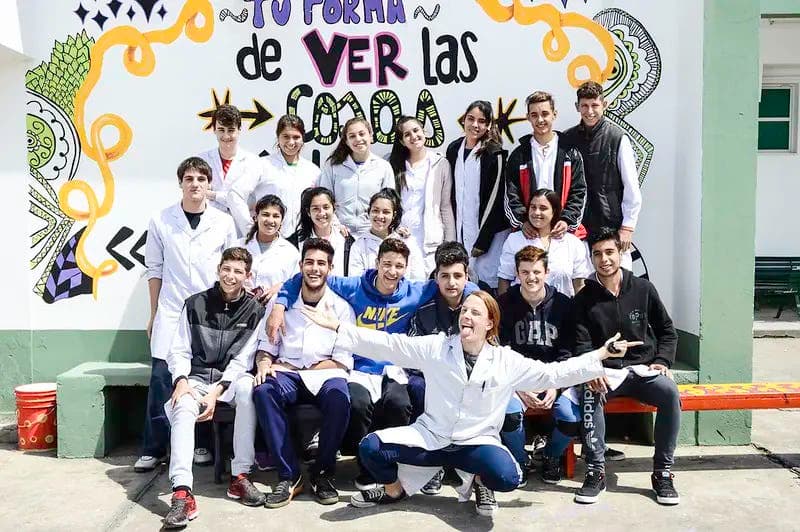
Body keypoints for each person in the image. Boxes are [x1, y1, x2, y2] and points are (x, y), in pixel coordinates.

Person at [301, 291, 635, 517]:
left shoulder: (506, 361)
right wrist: (340, 327)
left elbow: (554, 373)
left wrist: (602, 354)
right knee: (371, 448)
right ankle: (394, 491)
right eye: (464, 312)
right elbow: (390, 345)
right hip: (432, 438)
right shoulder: (437, 348)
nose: (466, 316)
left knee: (508, 477)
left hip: (475, 442)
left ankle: (476, 481)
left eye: (475, 312)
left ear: (490, 323)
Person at [268, 238, 477, 490]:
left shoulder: (416, 291)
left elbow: (460, 285)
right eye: (386, 264)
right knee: (357, 403)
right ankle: (366, 465)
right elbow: (310, 276)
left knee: (400, 403)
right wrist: (280, 303)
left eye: (399, 266)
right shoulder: (355, 286)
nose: (392, 271)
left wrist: (478, 296)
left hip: (394, 369)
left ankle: (394, 465)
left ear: (406, 268)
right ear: (376, 263)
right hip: (360, 368)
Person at [136, 157, 237, 473]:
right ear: (180, 183)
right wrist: (153, 315)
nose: (195, 184)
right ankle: (153, 448)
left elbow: (232, 269)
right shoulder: (161, 220)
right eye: (189, 178)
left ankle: (202, 443)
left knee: (203, 377)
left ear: (209, 186)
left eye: (201, 179)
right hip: (171, 310)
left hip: (209, 315)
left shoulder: (223, 222)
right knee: (162, 379)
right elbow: (154, 269)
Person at [573, 229, 680, 506]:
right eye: (597, 254)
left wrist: (662, 360)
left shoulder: (643, 289)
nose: (604, 259)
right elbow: (581, 343)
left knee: (669, 392)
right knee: (590, 392)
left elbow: (667, 331)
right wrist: (592, 370)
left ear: (620, 253)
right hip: (606, 372)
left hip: (643, 368)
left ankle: (663, 473)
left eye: (609, 252)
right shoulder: (584, 299)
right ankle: (596, 471)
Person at [162, 247, 266, 528]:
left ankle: (240, 476)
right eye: (227, 269)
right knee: (182, 405)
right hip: (195, 378)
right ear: (219, 269)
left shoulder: (255, 310)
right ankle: (182, 492)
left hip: (229, 381)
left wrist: (217, 391)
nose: (231, 276)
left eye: (238, 272)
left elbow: (244, 360)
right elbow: (179, 350)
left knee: (248, 391)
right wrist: (181, 380)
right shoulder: (195, 303)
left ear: (248, 276)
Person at [252, 238, 356, 508]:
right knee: (264, 391)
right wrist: (264, 363)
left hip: (325, 374)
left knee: (339, 397)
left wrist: (299, 368)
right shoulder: (282, 305)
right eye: (309, 262)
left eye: (321, 263)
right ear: (300, 266)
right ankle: (290, 475)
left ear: (330, 268)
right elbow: (266, 347)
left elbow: (343, 361)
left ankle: (323, 473)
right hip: (287, 374)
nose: (314, 268)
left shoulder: (342, 308)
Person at [497, 245, 580, 485]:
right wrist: (519, 387)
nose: (531, 277)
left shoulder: (564, 305)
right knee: (509, 414)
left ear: (547, 272)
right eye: (525, 272)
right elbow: (500, 352)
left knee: (569, 417)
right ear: (517, 273)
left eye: (536, 272)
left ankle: (551, 457)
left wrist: (556, 386)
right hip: (517, 379)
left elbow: (567, 352)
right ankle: (521, 460)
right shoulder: (504, 303)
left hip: (553, 377)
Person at [406, 241, 470, 495]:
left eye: (457, 275)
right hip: (431, 379)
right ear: (436, 278)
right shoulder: (424, 312)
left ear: (467, 277)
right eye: (445, 276)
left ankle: (468, 468)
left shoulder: (477, 310)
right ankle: (432, 466)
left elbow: (490, 350)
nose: (451, 282)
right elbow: (413, 356)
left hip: (469, 378)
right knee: (418, 388)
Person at [562, 81, 642, 268]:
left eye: (595, 105)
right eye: (585, 106)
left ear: (604, 105)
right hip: (577, 230)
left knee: (619, 285)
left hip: (611, 228)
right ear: (577, 107)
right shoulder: (567, 139)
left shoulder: (617, 138)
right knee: (581, 287)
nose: (590, 111)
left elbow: (632, 188)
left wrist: (627, 227)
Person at [504, 91, 586, 239]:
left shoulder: (570, 152)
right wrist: (523, 222)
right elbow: (511, 195)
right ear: (528, 117)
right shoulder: (519, 155)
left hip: (562, 233)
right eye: (534, 115)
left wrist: (566, 220)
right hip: (530, 234)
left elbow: (579, 192)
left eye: (545, 113)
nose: (540, 119)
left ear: (554, 114)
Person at [445, 100, 509, 292]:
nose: (475, 125)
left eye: (482, 121)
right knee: (464, 282)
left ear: (489, 125)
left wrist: (483, 240)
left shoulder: (494, 152)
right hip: (461, 229)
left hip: (488, 236)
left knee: (487, 285)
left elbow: (495, 199)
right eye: (471, 119)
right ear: (463, 120)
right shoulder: (454, 149)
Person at [228, 115, 321, 237]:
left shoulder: (313, 170)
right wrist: (249, 228)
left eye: (296, 137)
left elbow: (325, 203)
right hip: (269, 239)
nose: (291, 142)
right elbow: (235, 194)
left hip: (303, 240)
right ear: (278, 138)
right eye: (286, 137)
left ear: (303, 138)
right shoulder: (262, 165)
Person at [389, 116, 456, 273]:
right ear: (401, 141)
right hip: (401, 237)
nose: (413, 136)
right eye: (407, 134)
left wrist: (450, 243)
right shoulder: (393, 165)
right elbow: (387, 204)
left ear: (424, 131)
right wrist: (394, 228)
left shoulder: (440, 164)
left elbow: (445, 206)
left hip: (430, 242)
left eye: (416, 130)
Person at [498, 188, 591, 297]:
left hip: (563, 309)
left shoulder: (572, 242)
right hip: (523, 310)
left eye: (543, 208)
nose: (536, 212)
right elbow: (504, 279)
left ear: (554, 211)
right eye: (533, 207)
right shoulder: (514, 240)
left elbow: (579, 284)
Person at [320, 117, 395, 236]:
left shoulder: (383, 167)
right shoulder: (333, 165)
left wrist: (377, 227)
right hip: (339, 232)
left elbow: (390, 202)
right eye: (352, 136)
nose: (358, 139)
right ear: (346, 141)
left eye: (362, 134)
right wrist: (335, 224)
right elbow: (323, 199)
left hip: (372, 232)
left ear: (370, 136)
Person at [198, 104, 262, 224]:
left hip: (240, 228)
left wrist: (213, 195)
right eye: (221, 130)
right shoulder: (202, 161)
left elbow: (246, 200)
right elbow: (196, 195)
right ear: (214, 130)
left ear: (239, 130)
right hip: (208, 226)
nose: (226, 136)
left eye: (231, 130)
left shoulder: (253, 162)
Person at [349, 188, 426, 282]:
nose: (380, 216)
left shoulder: (407, 241)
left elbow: (418, 278)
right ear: (369, 211)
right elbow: (356, 281)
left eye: (386, 212)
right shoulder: (359, 245)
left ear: (394, 215)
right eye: (375, 211)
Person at [240, 195, 300, 303]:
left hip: (274, 310)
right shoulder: (239, 245)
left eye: (276, 216)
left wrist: (282, 286)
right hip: (240, 308)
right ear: (256, 217)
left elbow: (297, 284)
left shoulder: (291, 252)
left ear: (281, 221)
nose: (270, 220)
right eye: (265, 214)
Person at [291, 187, 354, 276]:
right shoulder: (296, 241)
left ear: (334, 208)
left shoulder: (345, 240)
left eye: (326, 207)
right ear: (308, 212)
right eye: (315, 208)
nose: (321, 213)